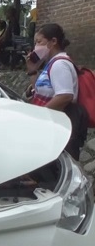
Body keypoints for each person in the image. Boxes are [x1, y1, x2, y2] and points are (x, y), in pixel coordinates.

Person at [24, 23, 88, 160]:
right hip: (51, 124)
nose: (36, 46)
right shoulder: (52, 63)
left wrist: (40, 114)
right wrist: (32, 70)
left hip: (57, 125)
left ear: (53, 41)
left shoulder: (60, 64)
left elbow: (65, 95)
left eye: (39, 42)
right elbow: (40, 91)